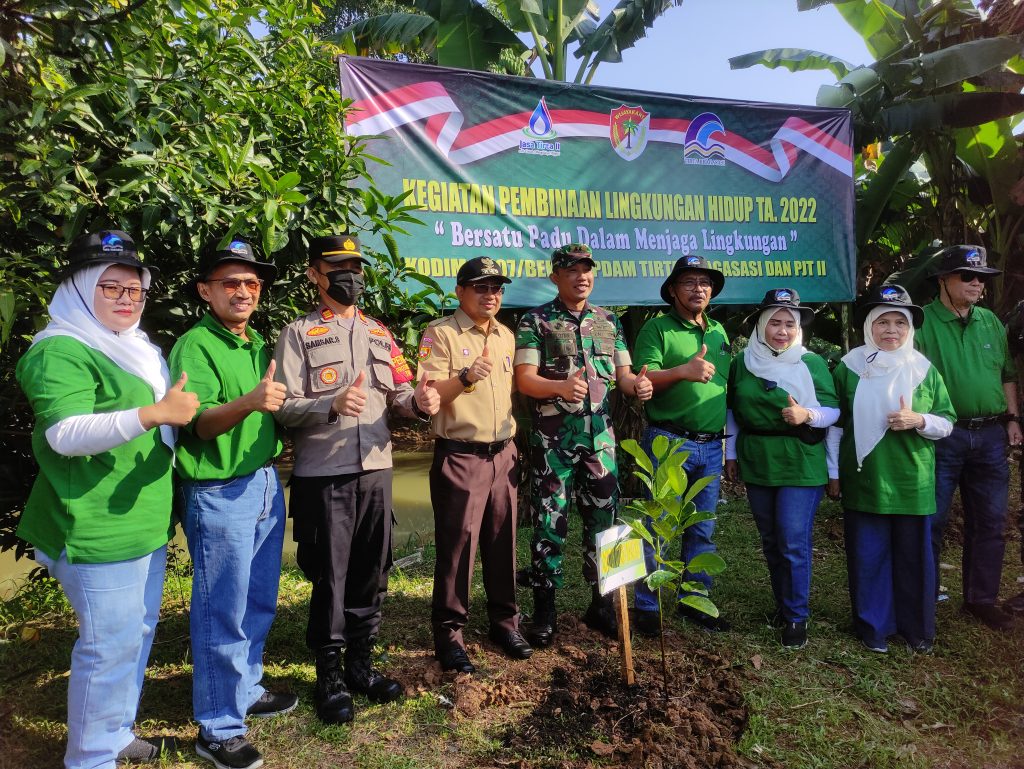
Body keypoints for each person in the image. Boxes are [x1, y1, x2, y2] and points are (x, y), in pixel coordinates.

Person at [17, 230, 199, 769]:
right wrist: (153, 414)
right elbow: (65, 433)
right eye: (111, 287)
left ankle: (116, 732)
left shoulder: (133, 347)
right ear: (78, 289)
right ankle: (91, 758)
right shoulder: (60, 349)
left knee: (134, 634)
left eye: (135, 290)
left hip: (140, 522)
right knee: (107, 645)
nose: (126, 299)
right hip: (93, 525)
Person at [273, 234, 440, 724]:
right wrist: (329, 403)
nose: (350, 275)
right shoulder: (298, 333)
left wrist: (420, 403)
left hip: (377, 470)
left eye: (356, 267)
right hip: (324, 475)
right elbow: (280, 406)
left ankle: (361, 668)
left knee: (372, 569)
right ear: (314, 274)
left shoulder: (379, 332)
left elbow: (403, 394)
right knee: (330, 576)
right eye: (337, 266)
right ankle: (327, 676)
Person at [169, 238, 293, 769]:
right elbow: (196, 425)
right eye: (230, 283)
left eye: (251, 283)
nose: (243, 292)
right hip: (219, 493)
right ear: (206, 291)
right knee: (221, 608)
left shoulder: (254, 341)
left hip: (264, 484)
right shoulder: (196, 345)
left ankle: (246, 688)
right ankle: (218, 726)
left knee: (258, 599)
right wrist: (248, 403)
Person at [514, 243, 652, 647]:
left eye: (587, 269)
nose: (581, 276)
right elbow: (524, 379)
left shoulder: (609, 321)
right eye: (572, 269)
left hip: (601, 442)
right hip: (553, 441)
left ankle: (603, 605)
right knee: (549, 522)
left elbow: (623, 376)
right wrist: (559, 385)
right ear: (556, 276)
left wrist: (636, 386)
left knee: (606, 521)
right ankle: (545, 611)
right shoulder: (536, 320)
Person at [416, 256, 530, 674]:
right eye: (481, 287)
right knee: (458, 549)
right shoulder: (441, 334)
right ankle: (449, 635)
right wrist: (465, 376)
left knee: (503, 542)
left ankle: (505, 622)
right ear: (460, 291)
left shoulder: (505, 335)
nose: (491, 295)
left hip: (502, 453)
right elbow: (427, 397)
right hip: (461, 454)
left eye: (497, 287)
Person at [826, 285, 955, 653]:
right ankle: (873, 627)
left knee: (914, 556)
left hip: (912, 478)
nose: (891, 330)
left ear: (910, 328)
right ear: (869, 326)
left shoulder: (923, 369)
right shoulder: (850, 367)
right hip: (865, 477)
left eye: (900, 322)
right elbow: (837, 425)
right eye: (882, 321)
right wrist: (833, 472)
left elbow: (946, 421)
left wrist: (918, 420)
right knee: (868, 555)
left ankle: (917, 628)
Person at [724, 288, 839, 649]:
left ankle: (796, 616)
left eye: (790, 323)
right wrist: (730, 452)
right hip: (758, 458)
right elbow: (732, 408)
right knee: (771, 540)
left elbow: (833, 413)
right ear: (760, 325)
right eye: (774, 322)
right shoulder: (743, 361)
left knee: (792, 539)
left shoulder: (811, 362)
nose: (782, 330)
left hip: (800, 459)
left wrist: (808, 414)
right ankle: (782, 604)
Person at [913, 245, 1021, 630]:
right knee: (932, 519)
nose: (978, 283)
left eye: (982, 278)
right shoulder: (919, 322)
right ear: (943, 279)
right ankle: (924, 596)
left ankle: (981, 599)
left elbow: (1006, 372)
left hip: (991, 434)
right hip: (943, 435)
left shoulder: (991, 321)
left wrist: (1012, 418)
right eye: (968, 276)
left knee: (991, 520)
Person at [631, 255, 733, 635]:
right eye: (688, 282)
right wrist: (684, 371)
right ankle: (645, 604)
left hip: (712, 447)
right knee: (657, 524)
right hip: (670, 441)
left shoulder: (721, 332)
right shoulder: (657, 329)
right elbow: (644, 379)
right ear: (673, 290)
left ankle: (694, 600)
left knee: (701, 528)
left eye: (704, 282)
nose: (698, 288)